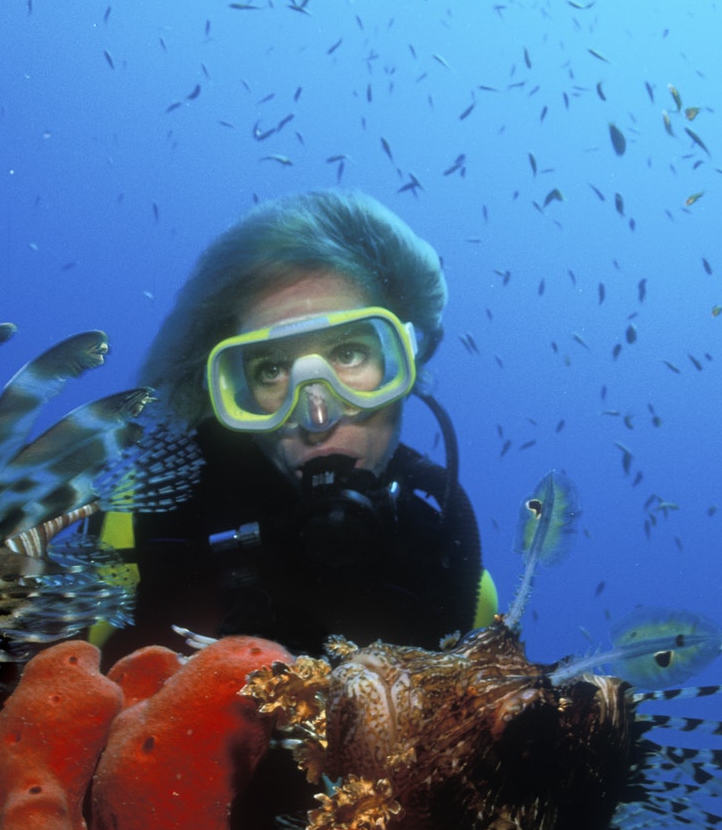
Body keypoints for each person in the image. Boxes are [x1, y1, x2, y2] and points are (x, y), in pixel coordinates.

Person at [91, 190, 495, 663]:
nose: (317, 415)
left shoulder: (460, 585)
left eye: (349, 354)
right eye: (270, 371)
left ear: (403, 362)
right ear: (228, 392)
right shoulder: (140, 524)